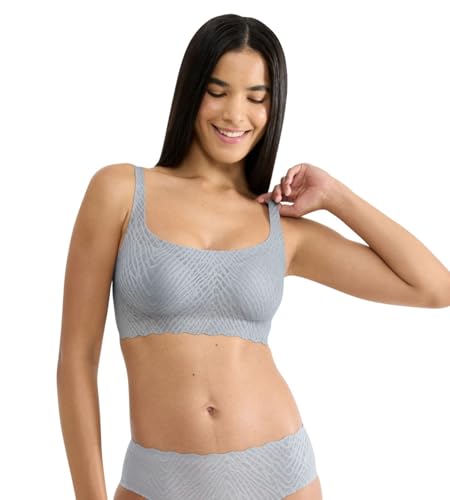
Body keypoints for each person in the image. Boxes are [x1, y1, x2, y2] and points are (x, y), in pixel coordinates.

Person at [56, 13, 450, 500]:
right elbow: (76, 360)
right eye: (217, 92)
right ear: (191, 91)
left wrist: (336, 196)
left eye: (256, 98)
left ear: (272, 107)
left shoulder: (280, 229)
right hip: (157, 481)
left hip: (280, 475)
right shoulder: (120, 192)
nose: (234, 114)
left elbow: (433, 287)